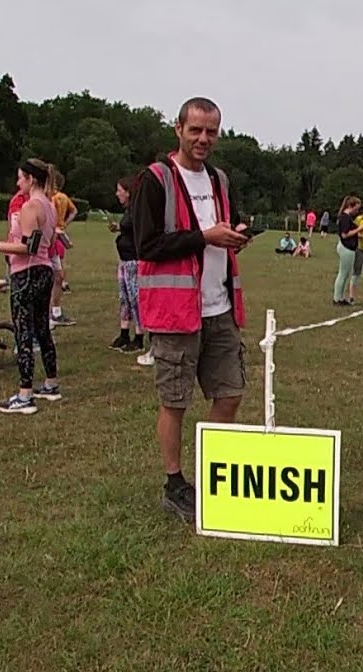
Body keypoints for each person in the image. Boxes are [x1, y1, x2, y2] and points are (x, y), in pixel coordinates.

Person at [131, 96, 252, 523]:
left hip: (219, 306)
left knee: (230, 393)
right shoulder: (155, 179)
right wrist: (206, 236)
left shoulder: (220, 179)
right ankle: (174, 483)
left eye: (212, 131)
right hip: (175, 311)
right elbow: (144, 245)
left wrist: (237, 233)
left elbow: (227, 224)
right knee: (175, 401)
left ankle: (214, 477)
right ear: (178, 128)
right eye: (196, 130)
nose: (204, 139)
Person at [0, 159, 63, 414]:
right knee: (42, 329)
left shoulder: (30, 207)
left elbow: (28, 247)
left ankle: (25, 394)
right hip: (45, 270)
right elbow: (47, 242)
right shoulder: (50, 206)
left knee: (24, 331)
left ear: (31, 179)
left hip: (27, 273)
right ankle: (51, 382)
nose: (17, 183)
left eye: (20, 178)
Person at [108, 175, 145, 353]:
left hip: (133, 261)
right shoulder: (128, 210)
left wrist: (122, 228)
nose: (117, 194)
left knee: (134, 298)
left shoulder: (137, 210)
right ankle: (124, 333)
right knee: (124, 298)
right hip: (124, 260)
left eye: (120, 190)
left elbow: (136, 229)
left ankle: (139, 337)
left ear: (128, 192)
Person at [49, 170, 77, 326]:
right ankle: (54, 312)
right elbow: (74, 211)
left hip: (55, 235)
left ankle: (54, 313)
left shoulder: (52, 198)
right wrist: (65, 223)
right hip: (58, 234)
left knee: (57, 273)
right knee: (58, 272)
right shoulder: (63, 197)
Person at [331, 196, 363, 305]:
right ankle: (336, 298)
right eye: (356, 209)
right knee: (343, 273)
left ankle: (340, 297)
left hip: (349, 248)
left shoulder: (347, 217)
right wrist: (358, 229)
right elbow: (345, 234)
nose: (357, 211)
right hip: (346, 248)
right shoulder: (344, 217)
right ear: (350, 206)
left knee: (346, 274)